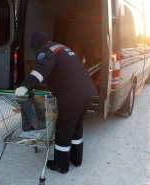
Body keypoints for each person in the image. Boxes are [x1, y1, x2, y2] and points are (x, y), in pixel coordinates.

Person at [15, 32, 98, 174]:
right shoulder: (61, 47)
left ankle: (61, 164)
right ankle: (76, 159)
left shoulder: (45, 50)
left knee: (64, 129)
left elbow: (42, 68)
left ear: (37, 44)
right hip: (87, 90)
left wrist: (26, 85)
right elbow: (64, 70)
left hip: (72, 94)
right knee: (76, 126)